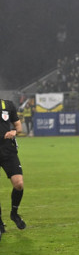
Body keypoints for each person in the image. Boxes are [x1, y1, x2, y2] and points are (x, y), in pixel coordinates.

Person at [0, 98, 27, 236]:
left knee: (19, 184)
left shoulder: (7, 104)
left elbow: (18, 126)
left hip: (8, 150)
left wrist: (14, 132)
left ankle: (14, 214)